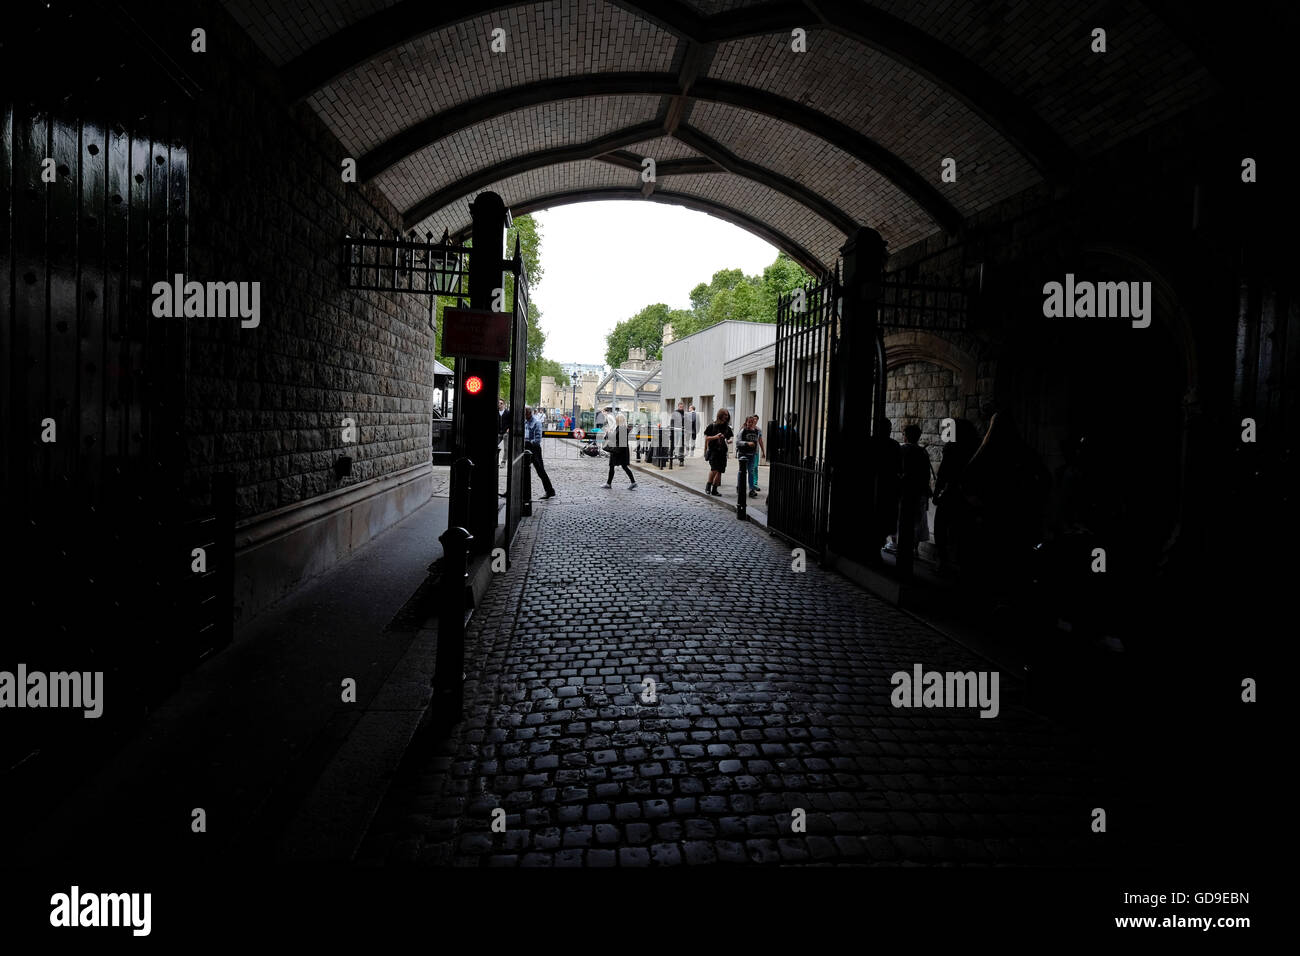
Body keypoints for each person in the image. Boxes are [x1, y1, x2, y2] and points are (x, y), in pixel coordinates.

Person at [932, 418, 979, 571]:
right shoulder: (976, 446)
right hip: (969, 495)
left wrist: (937, 492)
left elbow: (943, 472)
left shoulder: (951, 447)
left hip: (952, 492)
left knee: (940, 526)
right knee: (963, 531)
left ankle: (943, 560)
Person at [894, 423, 932, 557]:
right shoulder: (923, 452)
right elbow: (926, 474)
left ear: (906, 436)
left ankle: (900, 547)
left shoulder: (902, 450)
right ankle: (914, 549)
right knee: (918, 520)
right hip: (919, 491)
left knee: (901, 519)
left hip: (905, 491)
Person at [523, 405, 556, 499]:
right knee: (519, 469)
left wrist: (527, 442)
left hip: (534, 449)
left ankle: (550, 490)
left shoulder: (536, 422)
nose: (524, 415)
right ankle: (510, 490)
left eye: (525, 413)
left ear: (529, 413)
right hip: (525, 447)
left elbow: (537, 440)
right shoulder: (525, 421)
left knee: (540, 471)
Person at [702, 409, 733, 496]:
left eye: (727, 415)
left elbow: (730, 438)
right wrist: (715, 437)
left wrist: (729, 440)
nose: (726, 417)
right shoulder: (712, 426)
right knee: (714, 469)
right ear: (720, 415)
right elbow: (706, 438)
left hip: (723, 452)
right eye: (725, 415)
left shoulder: (727, 428)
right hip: (713, 451)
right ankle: (708, 486)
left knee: (720, 471)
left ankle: (714, 489)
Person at [603, 413, 636, 488]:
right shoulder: (620, 428)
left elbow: (620, 441)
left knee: (620, 466)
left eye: (616, 419)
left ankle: (633, 482)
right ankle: (633, 482)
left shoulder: (622, 429)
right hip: (619, 451)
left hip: (619, 451)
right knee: (620, 466)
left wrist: (609, 435)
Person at [738, 415, 765, 497]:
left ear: (754, 423)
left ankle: (751, 489)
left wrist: (762, 451)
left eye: (752, 422)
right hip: (743, 455)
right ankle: (740, 487)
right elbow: (738, 442)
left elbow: (759, 441)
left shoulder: (757, 431)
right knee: (742, 472)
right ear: (746, 422)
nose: (750, 423)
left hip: (752, 455)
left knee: (751, 472)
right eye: (748, 422)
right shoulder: (743, 431)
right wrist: (747, 443)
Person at [497, 398, 510, 467]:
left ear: (504, 404)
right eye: (499, 403)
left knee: (506, 448)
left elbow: (511, 422)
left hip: (506, 433)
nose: (500, 405)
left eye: (501, 403)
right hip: (498, 433)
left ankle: (503, 462)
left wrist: (508, 429)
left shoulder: (508, 412)